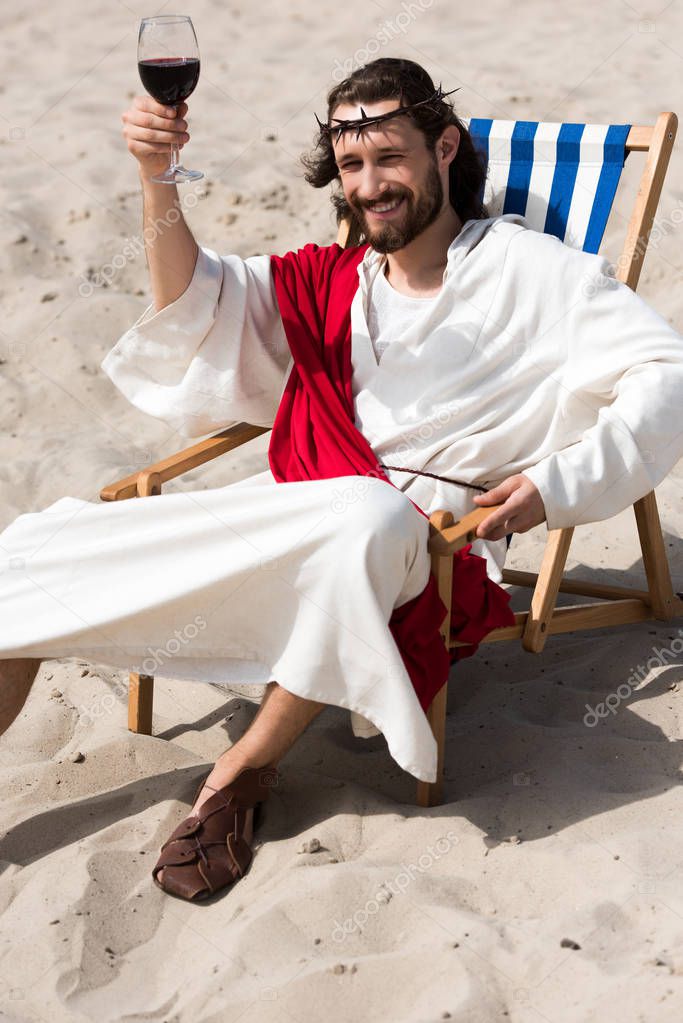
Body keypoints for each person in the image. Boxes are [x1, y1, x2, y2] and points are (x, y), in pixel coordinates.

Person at [2, 57, 682, 903]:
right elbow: (193, 303)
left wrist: (559, 482)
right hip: (298, 518)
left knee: (367, 513)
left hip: (414, 548)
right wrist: (156, 177)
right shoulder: (333, 281)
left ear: (443, 149)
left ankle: (238, 774)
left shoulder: (530, 270)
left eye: (389, 158)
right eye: (352, 165)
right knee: (29, 548)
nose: (370, 185)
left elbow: (665, 371)